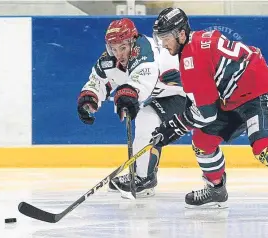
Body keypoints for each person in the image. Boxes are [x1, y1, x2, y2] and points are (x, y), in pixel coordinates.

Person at [151, 8, 268, 220]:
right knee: (203, 140)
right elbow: (208, 101)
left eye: (165, 37)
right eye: (160, 37)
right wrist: (178, 125)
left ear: (181, 34)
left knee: (264, 147)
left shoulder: (190, 58)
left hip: (258, 92)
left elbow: (206, 113)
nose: (164, 44)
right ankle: (216, 189)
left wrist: (173, 126)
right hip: (233, 98)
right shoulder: (198, 41)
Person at [77, 18, 186, 197]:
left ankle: (142, 178)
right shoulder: (111, 60)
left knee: (146, 118)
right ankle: (143, 176)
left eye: (123, 47)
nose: (118, 53)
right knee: (148, 122)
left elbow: (144, 76)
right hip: (163, 95)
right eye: (113, 48)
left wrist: (130, 93)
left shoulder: (145, 49)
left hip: (185, 95)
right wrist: (90, 98)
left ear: (133, 41)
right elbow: (98, 81)